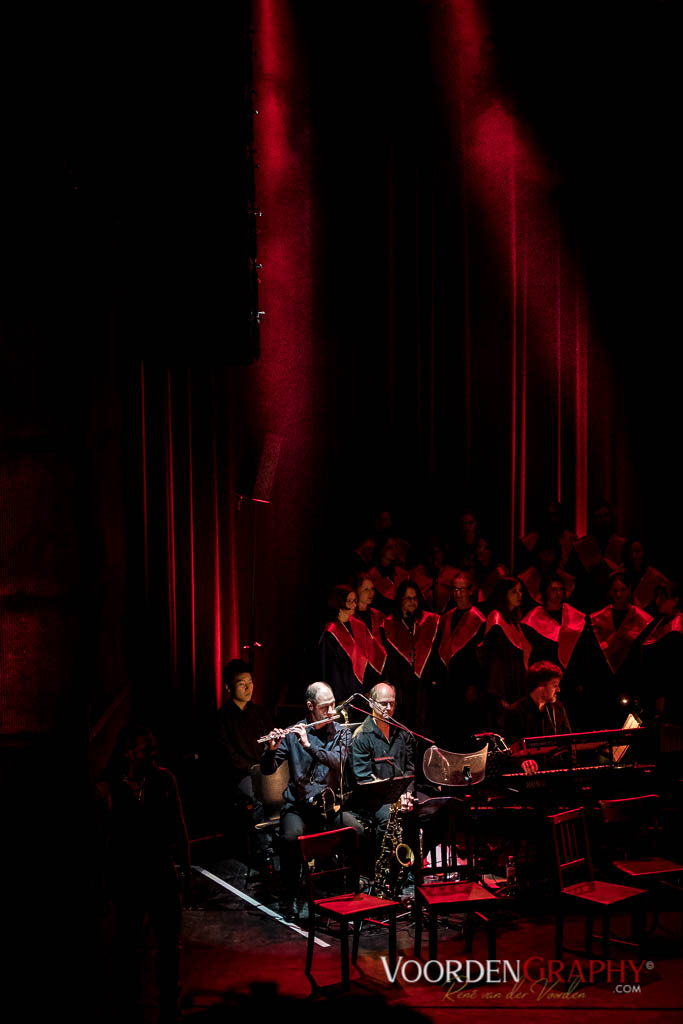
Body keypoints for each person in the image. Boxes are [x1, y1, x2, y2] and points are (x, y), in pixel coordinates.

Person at [101, 725, 190, 1024]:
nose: (151, 753)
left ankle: (168, 1005)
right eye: (143, 747)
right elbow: (103, 838)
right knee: (128, 945)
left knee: (169, 944)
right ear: (127, 751)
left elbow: (178, 825)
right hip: (128, 875)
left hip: (161, 871)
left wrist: (185, 870)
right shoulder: (111, 786)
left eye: (151, 747)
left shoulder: (164, 779)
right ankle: (129, 1007)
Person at [260, 682, 363, 920]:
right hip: (299, 806)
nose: (331, 711)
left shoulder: (342, 732)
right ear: (310, 707)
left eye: (333, 705)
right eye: (325, 707)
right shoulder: (293, 733)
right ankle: (291, 895)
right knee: (289, 838)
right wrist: (271, 750)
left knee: (356, 831)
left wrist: (309, 744)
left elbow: (337, 761)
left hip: (329, 808)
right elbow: (267, 770)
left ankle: (351, 891)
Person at [215, 659, 274, 873]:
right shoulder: (222, 718)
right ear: (229, 687)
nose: (248, 688)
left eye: (250, 682)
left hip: (265, 771)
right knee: (257, 797)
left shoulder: (260, 713)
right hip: (241, 775)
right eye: (242, 683)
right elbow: (228, 756)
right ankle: (265, 852)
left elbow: (272, 745)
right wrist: (255, 770)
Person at [350, 682, 416, 850]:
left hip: (400, 796)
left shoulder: (403, 734)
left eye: (392, 703)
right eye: (383, 703)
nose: (388, 708)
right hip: (375, 800)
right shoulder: (361, 737)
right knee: (389, 818)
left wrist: (407, 794)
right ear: (371, 703)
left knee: (431, 810)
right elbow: (364, 778)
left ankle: (413, 869)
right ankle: (385, 869)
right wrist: (394, 799)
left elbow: (409, 769)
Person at [586, 572, 653, 725]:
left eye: (622, 589)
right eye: (614, 589)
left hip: (631, 678)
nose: (618, 594)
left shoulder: (642, 619)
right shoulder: (597, 618)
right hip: (605, 681)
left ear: (629, 590)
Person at [382, 579, 440, 734]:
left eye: (415, 598)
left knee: (423, 726)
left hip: (423, 686)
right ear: (400, 600)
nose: (413, 602)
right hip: (401, 685)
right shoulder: (388, 624)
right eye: (408, 598)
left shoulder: (428, 621)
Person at [434, 570, 486, 741]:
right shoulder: (447, 617)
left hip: (467, 683)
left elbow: (479, 658)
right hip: (448, 683)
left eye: (462, 589)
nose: (458, 594)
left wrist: (473, 685)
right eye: (455, 589)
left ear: (470, 591)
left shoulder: (479, 619)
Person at [478, 576, 532, 729]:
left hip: (516, 683)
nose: (519, 595)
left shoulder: (514, 620)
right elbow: (494, 660)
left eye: (521, 591)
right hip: (502, 689)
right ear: (504, 594)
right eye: (514, 591)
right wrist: (499, 695)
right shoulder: (496, 619)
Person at [503, 662, 572, 776]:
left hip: (558, 775)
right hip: (530, 776)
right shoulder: (515, 712)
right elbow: (509, 750)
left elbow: (569, 742)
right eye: (555, 685)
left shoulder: (558, 708)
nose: (559, 690)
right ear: (541, 686)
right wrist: (523, 762)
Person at [319, 584, 370, 702]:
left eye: (355, 601)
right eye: (349, 601)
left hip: (360, 687)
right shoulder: (331, 632)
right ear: (339, 603)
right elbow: (330, 669)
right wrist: (338, 696)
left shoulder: (359, 626)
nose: (354, 605)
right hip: (341, 690)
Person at [353, 572, 387, 686]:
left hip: (377, 670)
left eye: (372, 589)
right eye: (366, 589)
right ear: (357, 591)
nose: (371, 593)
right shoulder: (350, 617)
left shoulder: (378, 616)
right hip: (358, 668)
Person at [410, 540, 458, 613]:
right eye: (431, 551)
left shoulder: (453, 574)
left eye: (438, 551)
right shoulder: (416, 574)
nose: (434, 555)